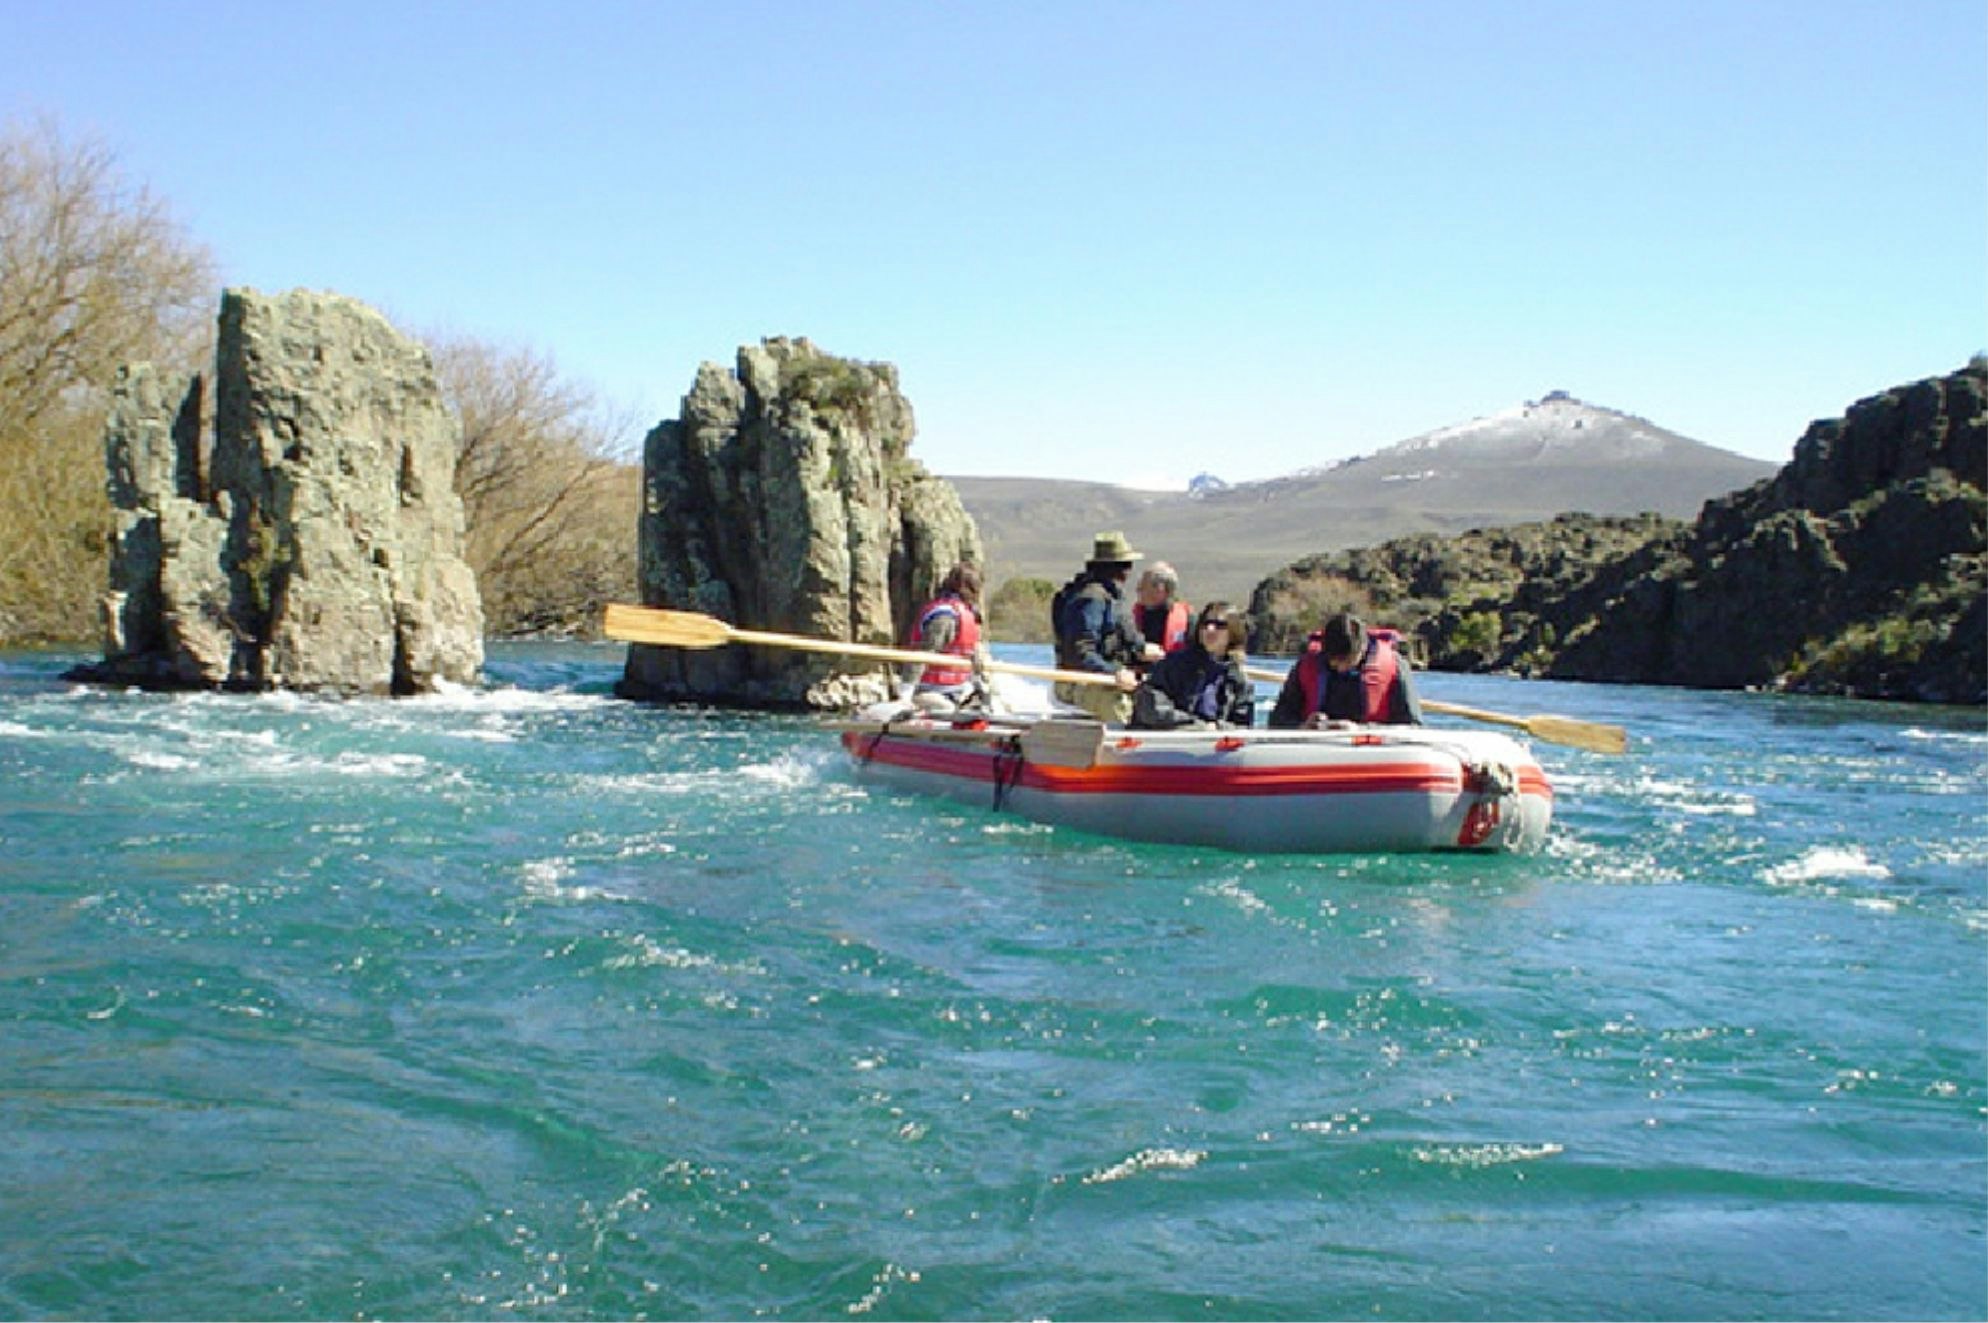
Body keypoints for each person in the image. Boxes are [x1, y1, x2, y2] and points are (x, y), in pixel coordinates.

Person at [1050, 530, 1163, 724]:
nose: (1129, 570)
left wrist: (1141, 649)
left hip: (1107, 675)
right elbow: (1080, 652)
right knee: (1119, 706)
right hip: (1079, 681)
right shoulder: (1090, 599)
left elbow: (1122, 636)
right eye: (1126, 564)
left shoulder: (1110, 597)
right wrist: (1114, 673)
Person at [1268, 611, 1423, 728]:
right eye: (1334, 663)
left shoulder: (1395, 668)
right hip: (1316, 751)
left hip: (1370, 754)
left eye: (1347, 661)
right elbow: (1277, 720)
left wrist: (1361, 731)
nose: (1341, 669)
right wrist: (1302, 727)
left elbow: (1412, 727)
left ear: (1362, 650)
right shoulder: (1306, 666)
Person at [1131, 601, 1256, 730]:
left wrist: (1218, 728)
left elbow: (1242, 726)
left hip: (1215, 745)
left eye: (1219, 625)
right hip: (1170, 741)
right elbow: (1151, 708)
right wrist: (1195, 726)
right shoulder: (1173, 665)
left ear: (1233, 632)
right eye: (1205, 624)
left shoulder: (1238, 678)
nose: (1210, 629)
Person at [899, 562, 986, 711]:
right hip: (929, 691)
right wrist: (905, 695)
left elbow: (975, 656)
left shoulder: (970, 614)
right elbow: (923, 655)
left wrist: (979, 683)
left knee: (987, 706)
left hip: (959, 690)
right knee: (947, 709)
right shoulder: (944, 617)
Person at [1131, 562, 1192, 654]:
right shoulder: (1134, 617)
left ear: (1160, 589)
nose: (1138, 589)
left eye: (1142, 586)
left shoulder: (1188, 618)